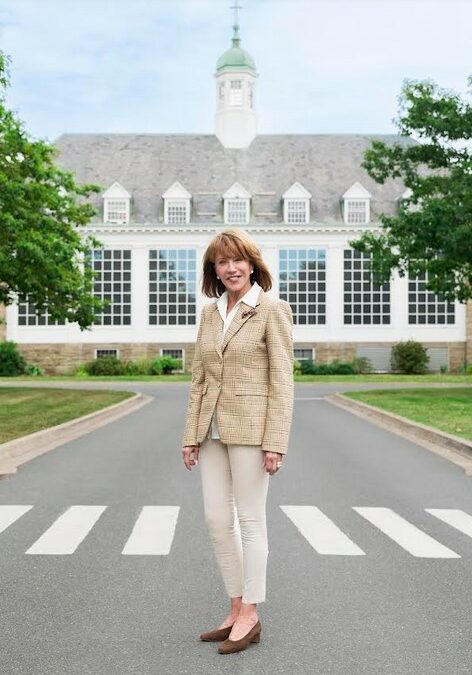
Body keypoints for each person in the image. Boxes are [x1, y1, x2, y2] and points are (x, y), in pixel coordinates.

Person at [181, 228, 294, 655]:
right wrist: (190, 435)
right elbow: (199, 379)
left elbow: (282, 381)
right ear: (214, 269)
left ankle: (251, 613)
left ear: (252, 264)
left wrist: (276, 441)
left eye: (238, 260)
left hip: (252, 429)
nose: (231, 268)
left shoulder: (271, 310)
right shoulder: (210, 314)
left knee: (250, 520)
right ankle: (233, 608)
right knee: (215, 520)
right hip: (210, 430)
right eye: (222, 262)